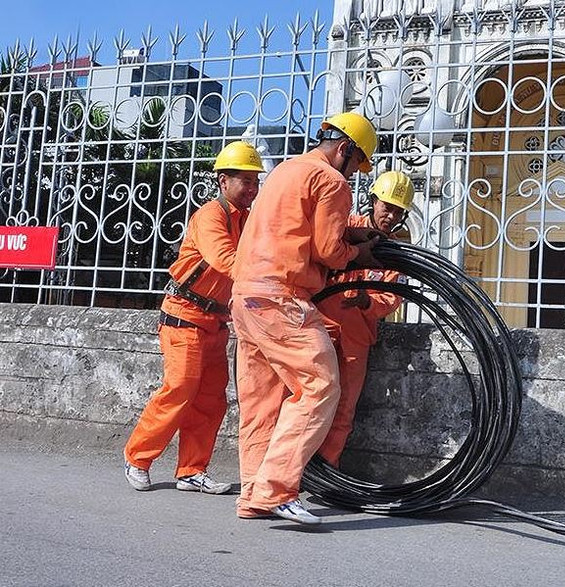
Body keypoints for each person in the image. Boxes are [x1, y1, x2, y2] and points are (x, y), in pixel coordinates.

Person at [230, 111, 381, 524]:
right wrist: (359, 253)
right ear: (345, 148)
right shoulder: (331, 180)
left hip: (246, 296)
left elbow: (297, 229)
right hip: (283, 297)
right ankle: (277, 490)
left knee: (260, 402)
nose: (354, 173)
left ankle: (253, 494)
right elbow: (329, 251)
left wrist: (351, 234)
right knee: (320, 386)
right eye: (357, 162)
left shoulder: (286, 170)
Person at [123, 141, 265, 494]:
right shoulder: (210, 215)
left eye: (255, 181)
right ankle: (137, 458)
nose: (251, 188)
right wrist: (267, 277)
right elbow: (225, 258)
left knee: (211, 399)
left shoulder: (247, 219)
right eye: (244, 181)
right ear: (223, 181)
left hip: (215, 321)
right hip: (184, 315)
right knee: (180, 389)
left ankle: (191, 470)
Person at [316, 170, 414, 468]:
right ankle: (297, 468)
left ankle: (327, 471)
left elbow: (392, 298)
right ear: (373, 201)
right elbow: (321, 252)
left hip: (356, 338)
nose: (391, 216)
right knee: (309, 398)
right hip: (320, 326)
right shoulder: (347, 229)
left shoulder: (394, 254)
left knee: (344, 409)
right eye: (387, 207)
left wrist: (367, 301)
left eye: (398, 211)